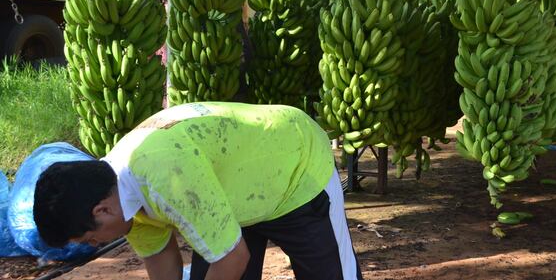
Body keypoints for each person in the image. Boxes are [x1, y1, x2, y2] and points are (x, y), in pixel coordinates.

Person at [33, 102, 363, 280]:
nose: (96, 244)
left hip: (294, 169)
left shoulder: (163, 174)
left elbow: (233, 259)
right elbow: (162, 261)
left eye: (90, 239)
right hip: (231, 197)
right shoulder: (115, 194)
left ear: (101, 211)